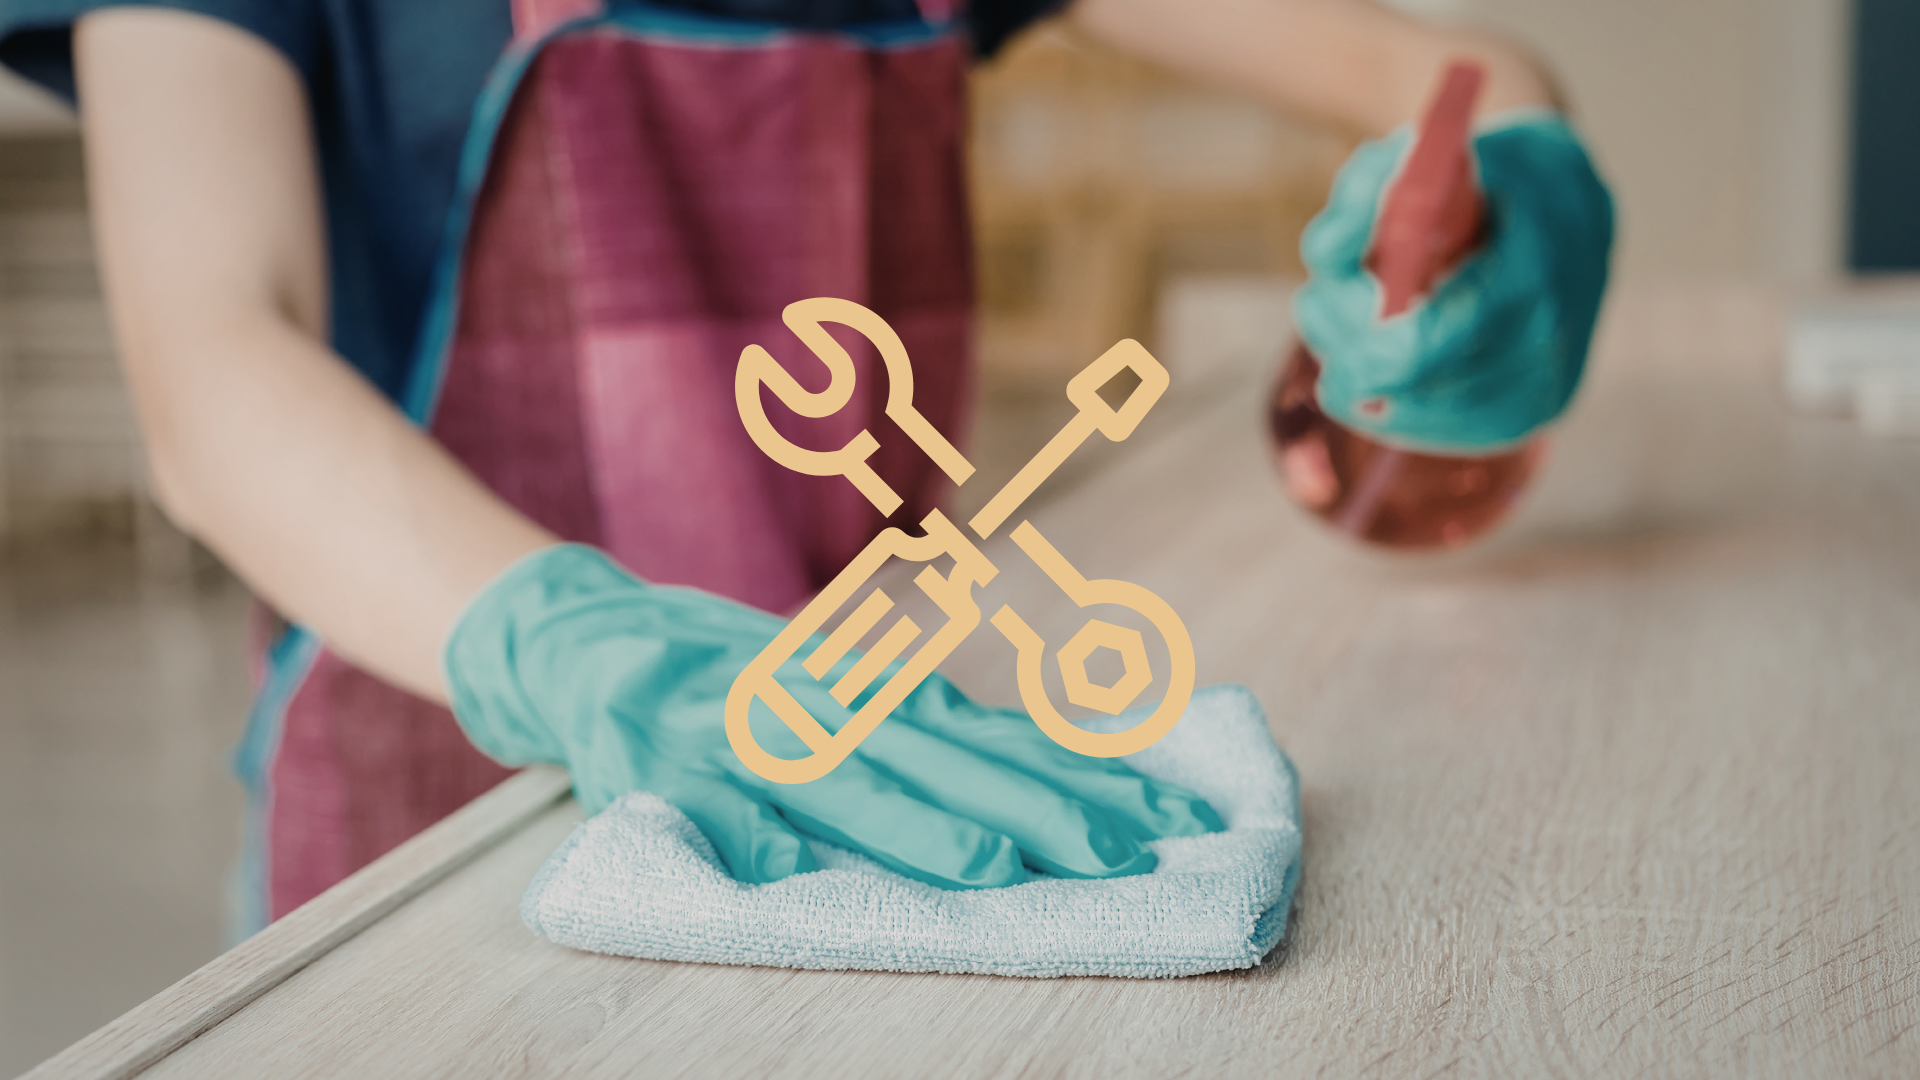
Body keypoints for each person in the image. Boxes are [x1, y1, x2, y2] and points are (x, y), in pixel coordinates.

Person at [0, 0, 1609, 933]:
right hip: (444, 822)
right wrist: (578, 648)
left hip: (890, 784)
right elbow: (212, 363)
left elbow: (1436, 72)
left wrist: (1508, 175)